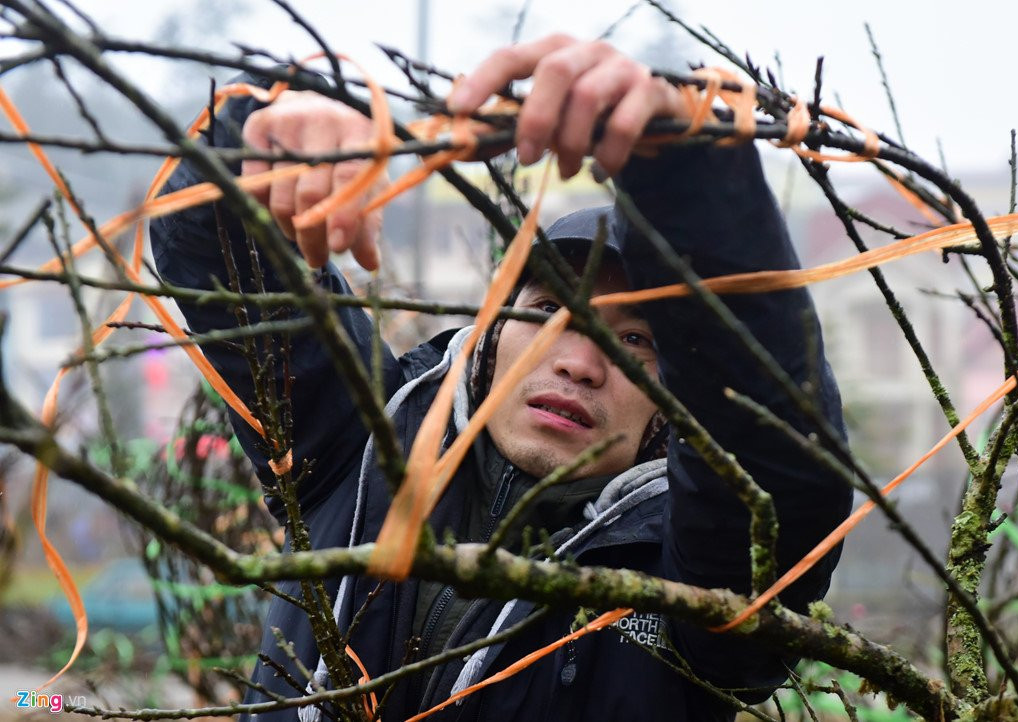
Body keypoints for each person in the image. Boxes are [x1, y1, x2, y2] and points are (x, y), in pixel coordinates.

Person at [151, 34, 853, 722]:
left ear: (673, 405)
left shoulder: (692, 581)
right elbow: (216, 249)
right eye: (549, 310)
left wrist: (685, 174)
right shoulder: (354, 452)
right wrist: (261, 139)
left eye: (635, 339)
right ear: (486, 339)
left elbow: (777, 465)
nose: (579, 360)